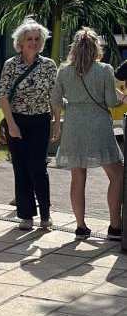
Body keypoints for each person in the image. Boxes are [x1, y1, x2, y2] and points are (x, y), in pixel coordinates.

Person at [51, 27, 126, 240]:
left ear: (74, 48)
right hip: (99, 127)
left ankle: (81, 226)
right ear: (96, 48)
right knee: (117, 174)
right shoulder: (104, 70)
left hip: (74, 127)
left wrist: (61, 120)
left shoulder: (64, 71)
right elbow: (111, 101)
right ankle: (114, 226)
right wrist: (121, 97)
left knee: (78, 177)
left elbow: (56, 100)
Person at [0, 18, 58, 231]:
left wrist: (56, 123)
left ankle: (45, 214)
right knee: (20, 167)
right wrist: (11, 125)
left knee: (38, 168)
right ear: (20, 42)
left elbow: (55, 97)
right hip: (17, 120)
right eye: (29, 39)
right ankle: (25, 215)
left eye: (36, 39)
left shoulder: (49, 66)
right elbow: (3, 97)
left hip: (40, 121)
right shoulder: (11, 65)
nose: (33, 42)